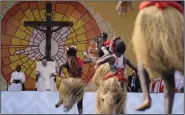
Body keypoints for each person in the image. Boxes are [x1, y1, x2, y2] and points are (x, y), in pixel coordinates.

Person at [131, 1, 183, 114]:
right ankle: (164, 109)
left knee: (144, 59)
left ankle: (146, 98)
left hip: (166, 14)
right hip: (165, 15)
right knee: (167, 71)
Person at [58, 45, 84, 114]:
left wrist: (59, 76)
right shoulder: (79, 61)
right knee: (80, 100)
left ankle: (62, 102)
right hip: (79, 83)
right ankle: (80, 112)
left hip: (71, 83)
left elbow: (60, 66)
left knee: (66, 93)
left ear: (68, 53)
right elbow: (80, 71)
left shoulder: (68, 61)